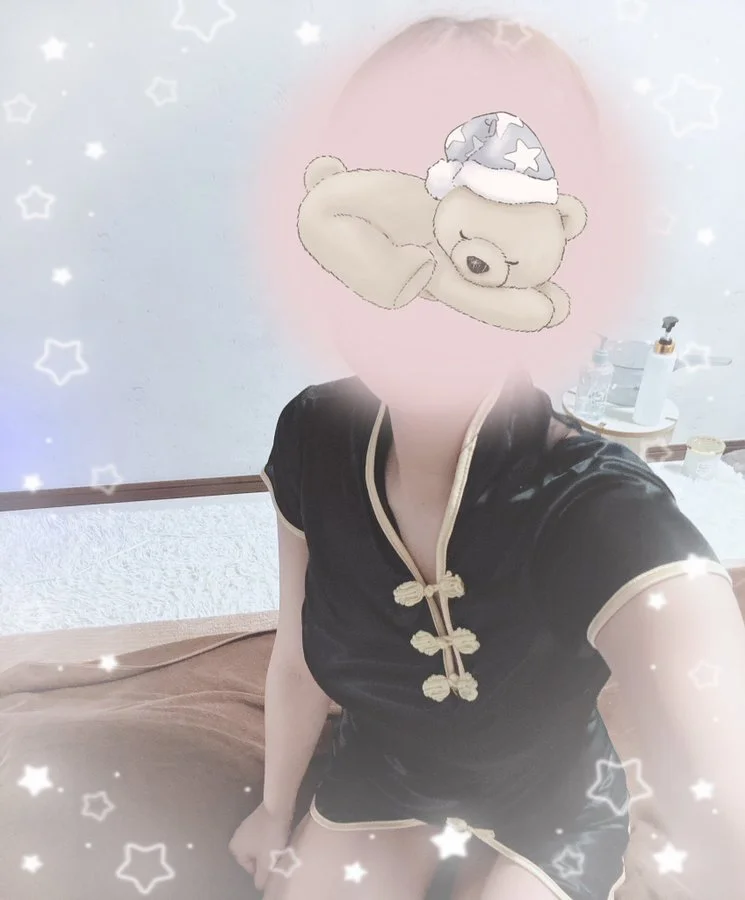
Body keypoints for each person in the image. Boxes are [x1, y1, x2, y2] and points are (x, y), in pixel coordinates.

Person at [230, 17, 745, 900]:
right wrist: (274, 811)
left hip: (554, 801)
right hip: (382, 773)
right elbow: (295, 654)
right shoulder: (312, 434)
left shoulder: (602, 509)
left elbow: (724, 810)